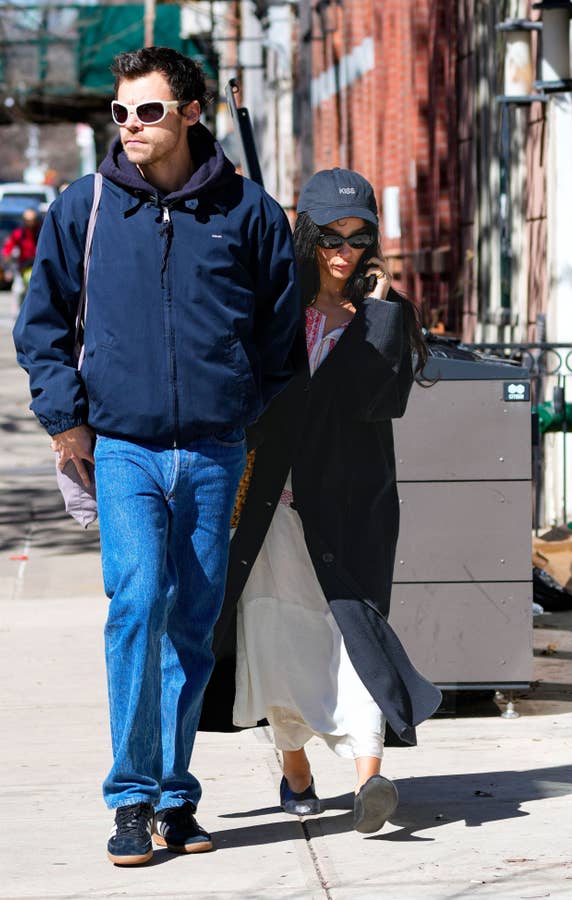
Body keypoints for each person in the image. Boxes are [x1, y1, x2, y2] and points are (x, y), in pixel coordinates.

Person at [13, 47, 301, 866]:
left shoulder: (248, 212)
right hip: (123, 449)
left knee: (193, 626)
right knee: (138, 604)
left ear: (191, 113)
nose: (131, 126)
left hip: (214, 451)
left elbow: (280, 335)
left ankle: (176, 794)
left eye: (147, 111)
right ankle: (131, 797)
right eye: (120, 112)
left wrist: (238, 406)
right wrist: (66, 423)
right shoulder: (85, 208)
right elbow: (42, 325)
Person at [202, 167, 442, 835]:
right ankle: (297, 770)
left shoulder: (384, 317)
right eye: (331, 237)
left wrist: (381, 313)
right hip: (273, 509)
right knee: (275, 637)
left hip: (350, 511)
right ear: (306, 235)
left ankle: (370, 780)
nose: (345, 251)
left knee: (353, 637)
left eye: (359, 238)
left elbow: (377, 401)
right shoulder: (276, 308)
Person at [2, 207, 40, 309]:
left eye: (32, 221)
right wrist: (7, 255)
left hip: (36, 266)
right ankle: (19, 311)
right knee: (18, 290)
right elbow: (9, 245)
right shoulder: (19, 233)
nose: (29, 223)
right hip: (23, 266)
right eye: (27, 221)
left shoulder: (40, 232)